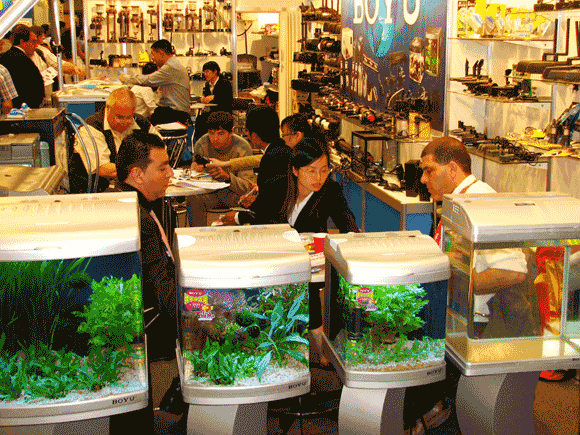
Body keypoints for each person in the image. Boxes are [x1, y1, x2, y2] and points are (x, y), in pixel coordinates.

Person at [70, 87, 160, 192]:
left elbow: (160, 151)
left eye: (129, 117)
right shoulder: (90, 128)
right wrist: (144, 170)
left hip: (131, 186)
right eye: (119, 117)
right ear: (108, 107)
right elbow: (103, 168)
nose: (125, 122)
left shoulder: (141, 123)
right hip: (95, 191)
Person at [187, 111, 256, 227]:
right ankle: (197, 234)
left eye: (221, 134)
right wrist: (196, 169)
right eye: (211, 133)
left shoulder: (242, 147)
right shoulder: (202, 144)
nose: (215, 138)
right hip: (208, 193)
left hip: (234, 195)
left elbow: (248, 186)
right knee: (192, 198)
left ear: (231, 132)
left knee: (250, 199)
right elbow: (191, 177)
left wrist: (227, 177)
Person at [119, 39, 190, 126]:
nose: (153, 58)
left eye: (153, 54)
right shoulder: (174, 64)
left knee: (139, 124)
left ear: (160, 52)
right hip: (175, 111)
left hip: (175, 113)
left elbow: (148, 80)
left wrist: (126, 78)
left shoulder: (171, 67)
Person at [30, 26, 85, 103]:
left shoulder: (42, 51)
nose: (36, 44)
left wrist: (74, 68)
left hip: (46, 96)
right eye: (33, 41)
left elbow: (57, 62)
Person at [0, 25, 44, 109]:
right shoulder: (24, 61)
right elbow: (35, 87)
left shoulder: (3, 57)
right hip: (25, 108)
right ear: (22, 42)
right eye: (33, 41)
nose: (36, 45)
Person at [193, 61, 233, 142]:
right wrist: (204, 99)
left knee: (203, 120)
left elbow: (227, 100)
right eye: (204, 72)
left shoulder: (225, 83)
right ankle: (200, 143)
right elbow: (207, 97)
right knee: (199, 119)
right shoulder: (207, 85)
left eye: (207, 71)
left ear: (215, 72)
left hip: (222, 112)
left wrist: (214, 97)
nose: (205, 74)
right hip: (210, 112)